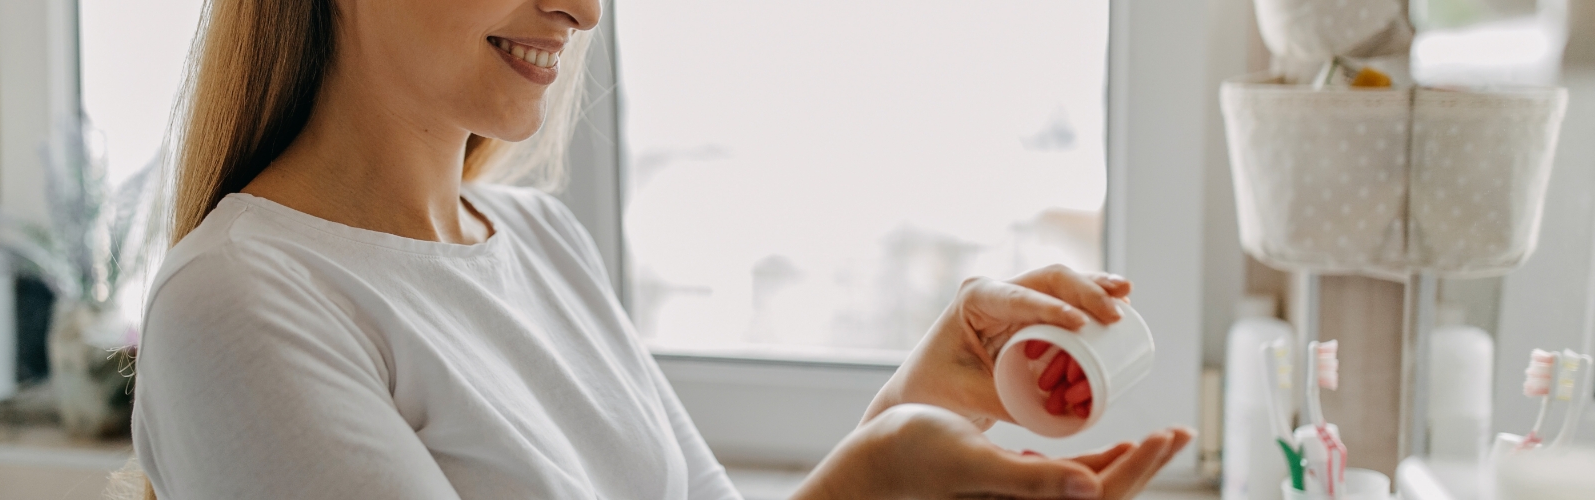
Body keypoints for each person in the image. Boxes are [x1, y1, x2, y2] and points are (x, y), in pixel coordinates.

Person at [128, 0, 1195, 498]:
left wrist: (931, 397)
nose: (581, 8)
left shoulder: (538, 240)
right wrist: (865, 491)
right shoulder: (242, 302)